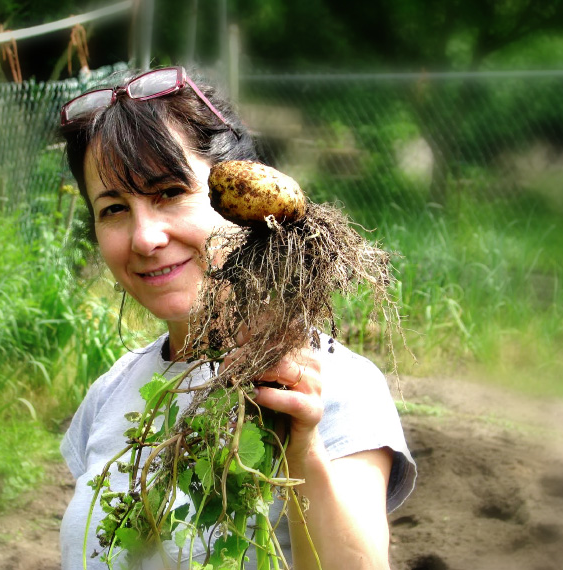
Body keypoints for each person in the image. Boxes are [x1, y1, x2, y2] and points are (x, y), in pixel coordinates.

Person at [58, 66, 416, 570]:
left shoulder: (334, 387)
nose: (145, 238)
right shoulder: (109, 395)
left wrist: (303, 447)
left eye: (169, 193)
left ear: (239, 200)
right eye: (114, 208)